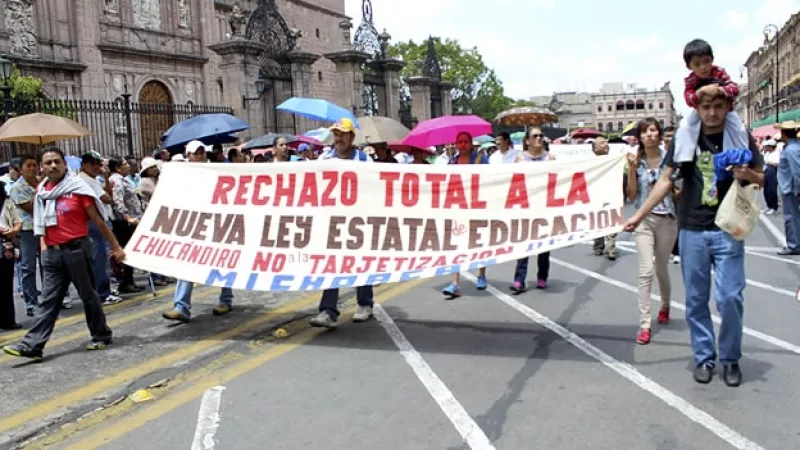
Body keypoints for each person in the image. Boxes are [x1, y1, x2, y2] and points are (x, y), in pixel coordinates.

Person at [623, 87, 763, 387]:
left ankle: (730, 358)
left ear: (727, 107)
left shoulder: (740, 136)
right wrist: (639, 214)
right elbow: (666, 179)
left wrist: (747, 174)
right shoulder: (686, 137)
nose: (712, 113)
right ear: (697, 109)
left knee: (730, 297)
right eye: (706, 107)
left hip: (728, 228)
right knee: (696, 299)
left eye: (719, 106)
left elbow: (762, 177)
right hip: (692, 229)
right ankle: (703, 356)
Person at [3, 147, 125, 361]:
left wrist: (116, 247)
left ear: (64, 164)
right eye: (48, 162)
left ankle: (101, 334)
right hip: (52, 254)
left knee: (88, 296)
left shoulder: (78, 188)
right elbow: (41, 222)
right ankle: (32, 345)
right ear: (42, 167)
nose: (53, 166)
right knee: (48, 301)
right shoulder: (42, 191)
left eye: (56, 161)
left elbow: (99, 221)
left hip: (77, 250)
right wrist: (44, 247)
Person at [310, 118, 374, 328]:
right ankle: (328, 311)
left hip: (359, 219)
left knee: (361, 261)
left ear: (351, 137)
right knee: (331, 263)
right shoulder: (324, 159)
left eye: (342, 134)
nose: (338, 138)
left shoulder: (364, 160)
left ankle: (365, 304)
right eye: (336, 134)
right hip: (332, 219)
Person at [163, 141, 235, 322]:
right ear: (188, 155)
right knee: (186, 262)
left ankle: (225, 300)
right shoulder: (182, 175)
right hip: (193, 225)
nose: (201, 155)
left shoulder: (214, 171)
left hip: (216, 223)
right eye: (197, 153)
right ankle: (181, 307)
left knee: (222, 262)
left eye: (203, 152)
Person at [625, 119, 677, 345]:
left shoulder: (671, 160)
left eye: (653, 130)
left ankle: (665, 305)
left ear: (660, 134)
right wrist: (632, 169)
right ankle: (645, 324)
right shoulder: (637, 162)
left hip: (668, 219)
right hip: (644, 220)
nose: (649, 135)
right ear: (640, 137)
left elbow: (678, 191)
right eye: (644, 131)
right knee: (645, 271)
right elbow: (632, 195)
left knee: (661, 268)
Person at [675, 39, 748, 166]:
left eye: (706, 61)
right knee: (685, 126)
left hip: (727, 112)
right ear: (689, 66)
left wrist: (719, 90)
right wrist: (700, 93)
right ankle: (683, 159)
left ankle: (742, 158)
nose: (703, 67)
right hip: (699, 113)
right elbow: (688, 99)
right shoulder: (690, 80)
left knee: (739, 129)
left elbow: (734, 89)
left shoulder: (719, 72)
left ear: (712, 59)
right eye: (697, 64)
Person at [442, 131, 489, 298]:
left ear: (471, 143)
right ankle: (455, 283)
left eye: (465, 141)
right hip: (458, 207)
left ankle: (481, 275)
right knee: (455, 243)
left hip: (477, 207)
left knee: (478, 242)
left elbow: (490, 179)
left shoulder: (481, 160)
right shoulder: (451, 162)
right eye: (460, 142)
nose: (462, 145)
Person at [510, 127, 554, 293]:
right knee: (524, 243)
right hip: (525, 206)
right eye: (535, 136)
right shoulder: (520, 159)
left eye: (541, 135)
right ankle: (519, 279)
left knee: (544, 244)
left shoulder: (550, 158)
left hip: (544, 206)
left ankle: (542, 276)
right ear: (527, 141)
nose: (538, 138)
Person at [79, 151, 122, 305]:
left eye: (98, 164)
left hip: (100, 219)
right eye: (93, 164)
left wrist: (105, 177)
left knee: (102, 257)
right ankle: (102, 293)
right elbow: (108, 198)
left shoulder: (93, 179)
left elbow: (108, 194)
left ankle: (104, 289)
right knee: (100, 258)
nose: (97, 167)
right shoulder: (85, 181)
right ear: (84, 165)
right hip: (95, 223)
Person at [9, 155, 41, 316]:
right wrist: (40, 193)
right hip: (27, 230)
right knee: (28, 266)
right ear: (20, 169)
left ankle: (49, 299)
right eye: (28, 166)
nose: (32, 168)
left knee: (47, 264)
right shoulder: (17, 188)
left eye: (34, 165)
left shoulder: (42, 183)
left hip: (44, 228)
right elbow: (32, 208)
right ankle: (31, 302)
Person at [591, 136, 618, 260]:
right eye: (602, 143)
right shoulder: (590, 164)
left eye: (606, 142)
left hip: (611, 195)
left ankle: (611, 248)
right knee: (597, 222)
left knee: (612, 220)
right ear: (595, 149)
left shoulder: (613, 160)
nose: (606, 144)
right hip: (596, 197)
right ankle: (598, 245)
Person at [0, 185, 23, 330]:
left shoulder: (7, 203)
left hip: (5, 246)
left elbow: (18, 220)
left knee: (6, 285)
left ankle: (8, 321)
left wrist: (13, 231)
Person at [776, 122, 800, 256]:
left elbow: (797, 171)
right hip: (790, 187)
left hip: (790, 189)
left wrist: (798, 189)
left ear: (784, 134)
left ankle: (794, 245)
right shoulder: (794, 147)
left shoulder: (791, 149)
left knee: (791, 218)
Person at [761, 139, 780, 216]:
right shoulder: (767, 153)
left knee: (772, 190)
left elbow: (776, 164)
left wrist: (768, 162)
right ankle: (768, 206)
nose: (766, 148)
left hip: (772, 172)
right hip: (766, 171)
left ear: (771, 146)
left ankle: (773, 207)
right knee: (766, 190)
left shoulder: (776, 153)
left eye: (767, 146)